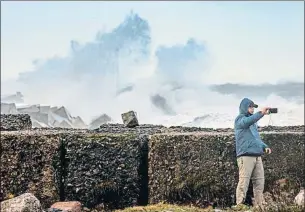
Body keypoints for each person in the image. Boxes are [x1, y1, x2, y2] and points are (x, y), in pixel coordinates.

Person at [232, 98, 272, 210]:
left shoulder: (253, 123)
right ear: (244, 107)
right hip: (245, 155)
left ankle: (260, 205)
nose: (252, 109)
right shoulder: (240, 119)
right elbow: (247, 121)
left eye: (253, 107)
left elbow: (256, 138)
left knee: (259, 181)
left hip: (257, 155)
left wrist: (265, 147)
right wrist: (261, 113)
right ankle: (239, 205)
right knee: (244, 181)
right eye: (250, 107)